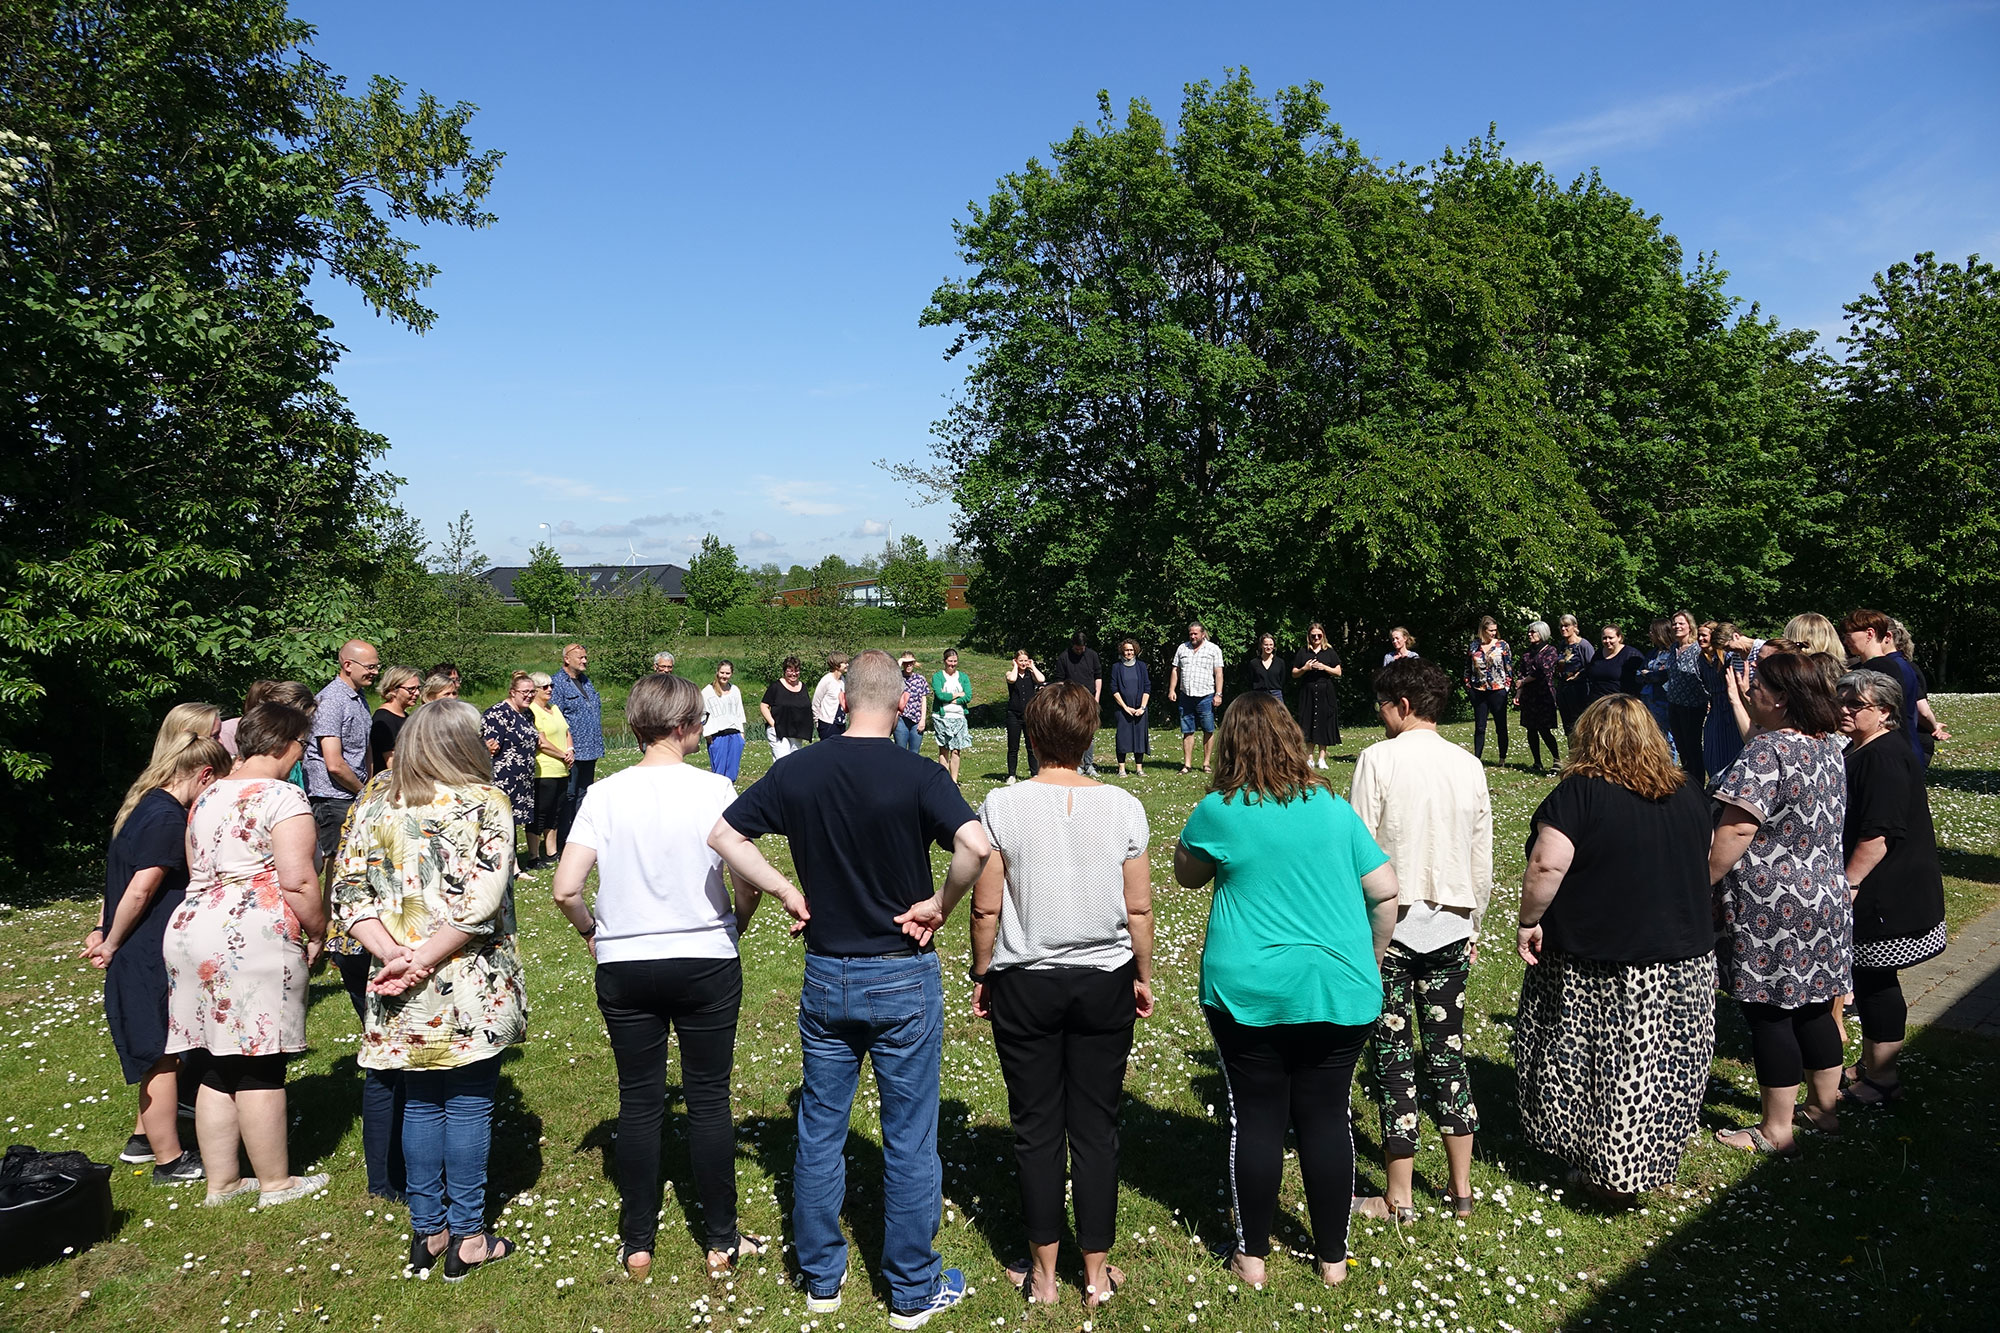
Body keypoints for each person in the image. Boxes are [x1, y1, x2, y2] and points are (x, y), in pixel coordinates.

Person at [710, 650, 989, 1329]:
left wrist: (780, 887)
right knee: (910, 1134)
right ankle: (912, 1288)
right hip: (901, 969)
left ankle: (822, 1277)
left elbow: (723, 833)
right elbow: (976, 846)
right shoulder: (919, 772)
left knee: (819, 1128)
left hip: (828, 970)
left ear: (840, 703)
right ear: (902, 705)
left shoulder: (797, 770)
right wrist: (940, 904)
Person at [1172, 693, 1399, 1289]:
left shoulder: (1219, 809)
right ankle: (1332, 1261)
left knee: (1257, 1117)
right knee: (1327, 1116)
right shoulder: (1332, 805)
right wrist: (1369, 960)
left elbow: (1187, 876)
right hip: (1338, 986)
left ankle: (1252, 1258)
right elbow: (1386, 890)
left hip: (1248, 991)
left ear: (1229, 745)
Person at [552, 674, 768, 1278]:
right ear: (682, 727)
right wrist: (738, 922)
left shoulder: (604, 795)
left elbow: (566, 888)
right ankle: (721, 1240)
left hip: (626, 963)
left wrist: (592, 932)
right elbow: (746, 874)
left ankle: (638, 1242)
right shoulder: (716, 788)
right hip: (705, 959)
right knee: (708, 1099)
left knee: (639, 1101)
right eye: (699, 718)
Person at [968, 683, 1153, 1309]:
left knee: (1036, 1127)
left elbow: (986, 905)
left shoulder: (1002, 804)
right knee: (1097, 1127)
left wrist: (981, 971)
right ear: (1090, 735)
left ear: (1036, 735)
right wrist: (1143, 974)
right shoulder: (1124, 806)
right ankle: (1096, 1273)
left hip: (1025, 980)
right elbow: (1139, 906)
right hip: (1105, 978)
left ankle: (1045, 1276)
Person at [334, 699, 526, 1280]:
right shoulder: (484, 801)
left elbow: (347, 892)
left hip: (397, 977)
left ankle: (429, 1231)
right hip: (467, 976)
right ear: (466, 743)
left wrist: (394, 955)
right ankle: (468, 1236)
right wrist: (418, 958)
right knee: (467, 1100)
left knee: (419, 1100)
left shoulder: (376, 798)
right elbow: (481, 902)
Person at [1512, 695, 1717, 1203]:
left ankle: (1609, 1175)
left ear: (1589, 737)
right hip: (1683, 957)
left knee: (1599, 1067)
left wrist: (1528, 920)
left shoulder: (1578, 794)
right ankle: (1649, 1163)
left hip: (1602, 960)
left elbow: (1546, 865)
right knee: (1664, 1067)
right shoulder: (1690, 790)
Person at [163, 702, 329, 1207]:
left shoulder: (207, 794)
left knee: (215, 1059)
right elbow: (298, 879)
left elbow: (196, 866)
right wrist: (319, 928)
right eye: (303, 744)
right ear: (285, 744)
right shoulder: (284, 796)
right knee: (261, 1059)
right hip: (251, 933)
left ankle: (223, 1183)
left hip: (192, 928)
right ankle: (276, 1183)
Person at [1348, 658, 1490, 1222]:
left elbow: (1356, 850)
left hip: (1390, 928)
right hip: (1452, 923)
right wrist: (1473, 924)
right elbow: (1480, 855)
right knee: (1449, 1055)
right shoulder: (1469, 764)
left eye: (1383, 706)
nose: (1380, 717)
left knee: (1392, 1058)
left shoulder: (1377, 759)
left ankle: (1400, 1195)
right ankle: (1460, 1191)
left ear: (1402, 706)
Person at [1709, 652, 1850, 1154]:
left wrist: (1701, 880)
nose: (1750, 692)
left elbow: (1740, 824)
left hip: (1773, 904)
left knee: (1770, 1012)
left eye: (1758, 686)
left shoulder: (1768, 751)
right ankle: (1824, 1111)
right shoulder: (1828, 746)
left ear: (1782, 697)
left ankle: (1776, 1130)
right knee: (1814, 1008)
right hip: (1827, 899)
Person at [87, 735, 229, 1184]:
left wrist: (104, 928)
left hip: (137, 948)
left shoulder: (144, 804)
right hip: (146, 952)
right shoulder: (167, 819)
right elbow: (142, 887)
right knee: (163, 1057)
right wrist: (110, 941)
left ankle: (146, 1140)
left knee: (160, 1054)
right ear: (204, 776)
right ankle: (170, 1160)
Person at [1835, 669, 1946, 1107]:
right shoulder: (1864, 747)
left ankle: (1883, 1079)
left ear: (1883, 712)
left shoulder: (1883, 756)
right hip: (1882, 886)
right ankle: (1871, 1064)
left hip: (1887, 891)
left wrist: (1851, 883)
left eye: (1854, 705)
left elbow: (1879, 833)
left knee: (1875, 981)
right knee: (1869, 979)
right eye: (1840, 701)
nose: (1843, 709)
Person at [303, 639, 379, 873]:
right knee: (336, 869)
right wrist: (363, 792)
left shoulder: (359, 696)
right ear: (348, 665)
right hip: (332, 797)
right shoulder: (332, 700)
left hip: (353, 793)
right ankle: (325, 911)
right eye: (370, 667)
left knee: (355, 866)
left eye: (376, 666)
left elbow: (363, 748)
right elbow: (334, 763)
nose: (375, 672)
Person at [1841, 609, 1950, 765]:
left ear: (1870, 633)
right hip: (1904, 747)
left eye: (1849, 635)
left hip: (1889, 753)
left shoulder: (1879, 669)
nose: (1845, 641)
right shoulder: (1898, 665)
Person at [550, 643, 606, 846]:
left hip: (590, 748)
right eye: (580, 657)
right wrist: (566, 747)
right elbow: (555, 718)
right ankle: (564, 839)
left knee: (585, 793)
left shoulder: (586, 681)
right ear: (567, 659)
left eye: (585, 657)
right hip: (572, 750)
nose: (585, 661)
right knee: (569, 795)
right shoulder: (557, 683)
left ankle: (581, 837)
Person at [481, 672, 540, 857]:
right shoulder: (497, 713)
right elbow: (489, 747)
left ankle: (513, 864)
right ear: (512, 692)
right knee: (504, 822)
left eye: (532, 692)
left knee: (514, 823)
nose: (529, 695)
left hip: (524, 777)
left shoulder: (528, 713)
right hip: (503, 777)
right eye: (524, 692)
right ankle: (508, 865)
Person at [528, 672, 575, 868]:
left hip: (562, 769)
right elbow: (541, 742)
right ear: (535, 690)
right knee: (540, 813)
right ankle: (533, 856)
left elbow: (566, 732)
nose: (550, 690)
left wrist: (570, 750)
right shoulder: (531, 711)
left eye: (551, 686)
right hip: (544, 770)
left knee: (555, 813)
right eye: (545, 687)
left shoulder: (554, 708)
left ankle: (551, 852)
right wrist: (561, 754)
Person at [1170, 622, 1226, 775]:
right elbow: (1175, 669)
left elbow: (1219, 673)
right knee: (1187, 731)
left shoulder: (1213, 649)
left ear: (1203, 634)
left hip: (1206, 695)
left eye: (1196, 634)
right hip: (1186, 695)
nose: (1193, 636)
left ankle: (1206, 763)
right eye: (1191, 634)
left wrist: (1218, 694)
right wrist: (1172, 689)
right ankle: (1187, 764)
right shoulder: (1182, 648)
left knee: (1208, 729)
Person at [1660, 611, 1708, 783]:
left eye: (1681, 623)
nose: (1677, 626)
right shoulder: (1673, 648)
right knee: (1681, 747)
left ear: (1690, 626)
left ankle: (1697, 784)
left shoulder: (1697, 649)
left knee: (1692, 747)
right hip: (1674, 703)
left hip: (1693, 705)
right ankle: (1686, 782)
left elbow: (1703, 674)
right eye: (1674, 623)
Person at [1047, 632, 1103, 775]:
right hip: (1071, 699)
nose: (1079, 651)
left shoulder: (1092, 655)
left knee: (1089, 732)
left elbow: (1098, 676)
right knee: (1072, 732)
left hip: (1090, 698)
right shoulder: (1063, 657)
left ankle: (1089, 765)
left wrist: (1097, 696)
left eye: (1082, 648)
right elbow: (1059, 680)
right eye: (1077, 648)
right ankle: (1076, 763)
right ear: (1073, 645)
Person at [1289, 622, 1342, 770]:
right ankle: (1309, 758)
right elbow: (1294, 673)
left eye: (1319, 635)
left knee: (1324, 723)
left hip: (1325, 691)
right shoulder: (1303, 652)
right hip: (1308, 691)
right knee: (1308, 721)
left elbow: (1338, 672)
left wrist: (1324, 667)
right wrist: (1305, 668)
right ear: (1309, 637)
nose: (1316, 638)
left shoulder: (1329, 652)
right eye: (1313, 636)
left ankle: (1322, 758)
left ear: (1323, 636)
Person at [1463, 616, 1512, 765]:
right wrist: (1468, 686)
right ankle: (1477, 758)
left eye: (1495, 630)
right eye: (1490, 630)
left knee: (1500, 725)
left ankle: (1502, 758)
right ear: (1483, 630)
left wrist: (1506, 687)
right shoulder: (1473, 646)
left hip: (1498, 690)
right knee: (1480, 726)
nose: (1493, 633)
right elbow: (1467, 668)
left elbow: (1508, 667)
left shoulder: (1502, 645)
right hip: (1478, 690)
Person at [1702, 623, 1748, 778]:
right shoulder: (1702, 660)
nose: (1701, 639)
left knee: (1731, 747)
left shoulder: (1729, 657)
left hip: (1730, 706)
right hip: (1715, 707)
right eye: (1699, 636)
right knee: (1712, 749)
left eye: (1705, 636)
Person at [1516, 621, 1561, 775]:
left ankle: (1556, 759)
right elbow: (1521, 673)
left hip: (1544, 695)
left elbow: (1543, 671)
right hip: (1529, 696)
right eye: (1529, 632)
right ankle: (1537, 761)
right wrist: (1518, 693)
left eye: (1533, 632)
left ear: (1542, 633)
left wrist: (1523, 681)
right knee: (1531, 729)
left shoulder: (1551, 651)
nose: (1529, 634)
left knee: (1544, 729)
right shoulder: (1527, 653)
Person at [697, 660, 748, 782]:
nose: (724, 676)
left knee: (732, 773)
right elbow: (702, 715)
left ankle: (730, 798)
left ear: (732, 674)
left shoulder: (735, 690)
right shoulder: (707, 691)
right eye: (722, 672)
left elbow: (739, 712)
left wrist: (741, 734)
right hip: (717, 736)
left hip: (735, 734)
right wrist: (708, 735)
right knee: (719, 774)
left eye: (727, 673)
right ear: (717, 672)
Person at [1108, 638, 1151, 777]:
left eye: (1131, 650)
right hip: (1123, 710)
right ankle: (1122, 769)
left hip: (1140, 709)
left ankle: (1139, 768)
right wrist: (1125, 707)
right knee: (1123, 738)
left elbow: (1147, 687)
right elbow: (1114, 689)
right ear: (1122, 651)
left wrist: (1142, 708)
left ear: (1135, 651)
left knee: (1139, 738)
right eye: (1126, 650)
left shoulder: (1142, 666)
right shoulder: (1116, 667)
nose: (1129, 652)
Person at [929, 649, 973, 783]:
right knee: (944, 749)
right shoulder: (938, 677)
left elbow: (968, 696)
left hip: (959, 717)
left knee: (956, 750)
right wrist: (958, 694)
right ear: (944, 661)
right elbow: (940, 695)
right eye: (950, 661)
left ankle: (953, 780)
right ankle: (944, 780)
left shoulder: (963, 677)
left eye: (955, 661)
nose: (952, 664)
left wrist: (956, 700)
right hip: (942, 717)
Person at [761, 656, 814, 762]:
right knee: (783, 761)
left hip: (796, 732)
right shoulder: (776, 687)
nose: (794, 674)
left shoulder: (803, 687)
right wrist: (773, 724)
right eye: (790, 671)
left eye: (796, 670)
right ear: (785, 671)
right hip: (779, 731)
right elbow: (764, 705)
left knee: (794, 763)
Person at [369, 667, 421, 774]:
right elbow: (392, 765)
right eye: (411, 689)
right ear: (392, 690)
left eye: (418, 688)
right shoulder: (383, 720)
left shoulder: (404, 715)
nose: (417, 693)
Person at [1004, 648, 1044, 783]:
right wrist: (1015, 666)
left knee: (1031, 746)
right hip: (1013, 715)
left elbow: (1041, 679)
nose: (1023, 663)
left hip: (1029, 715)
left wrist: (1032, 666)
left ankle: (1035, 773)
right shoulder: (1010, 673)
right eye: (1020, 661)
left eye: (1025, 661)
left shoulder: (1031, 674)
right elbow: (1012, 679)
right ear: (1015, 661)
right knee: (1013, 746)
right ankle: (1012, 775)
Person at [1553, 616, 1594, 736]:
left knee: (1580, 724)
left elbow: (1591, 666)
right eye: (1561, 626)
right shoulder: (1562, 645)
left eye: (1566, 625)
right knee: (1568, 726)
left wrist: (1578, 675)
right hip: (1563, 689)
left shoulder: (1583, 645)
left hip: (1579, 690)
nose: (1563, 628)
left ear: (1574, 627)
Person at [1584, 624, 1643, 700]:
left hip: (1619, 703)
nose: (1607, 641)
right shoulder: (1598, 654)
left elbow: (1639, 682)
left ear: (1619, 637)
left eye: (1611, 638)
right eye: (1604, 638)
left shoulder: (1631, 655)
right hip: (1598, 702)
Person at [894, 653, 931, 755]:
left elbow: (923, 699)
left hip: (916, 720)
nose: (908, 665)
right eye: (906, 663)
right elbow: (889, 677)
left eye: (910, 663)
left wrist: (923, 720)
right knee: (900, 751)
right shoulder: (897, 678)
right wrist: (899, 663)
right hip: (901, 719)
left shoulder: (920, 679)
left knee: (915, 752)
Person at [812, 652, 850, 741]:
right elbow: (816, 702)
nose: (847, 665)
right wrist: (817, 722)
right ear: (836, 665)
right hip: (828, 724)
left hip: (841, 723)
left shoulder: (842, 680)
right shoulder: (827, 680)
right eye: (844, 663)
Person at [1243, 632, 1288, 700]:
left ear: (1274, 646)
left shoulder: (1280, 662)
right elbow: (1250, 681)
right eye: (1266, 645)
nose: (1268, 647)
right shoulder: (1254, 663)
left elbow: (1282, 680)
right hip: (1258, 696)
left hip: (1276, 696)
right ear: (1261, 645)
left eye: (1271, 645)